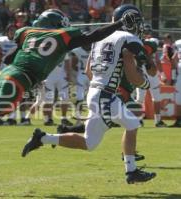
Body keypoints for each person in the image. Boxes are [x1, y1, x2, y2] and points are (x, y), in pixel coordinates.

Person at [0, 8, 140, 152]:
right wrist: (119, 24)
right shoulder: (62, 35)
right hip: (19, 79)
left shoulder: (28, 32)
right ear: (56, 25)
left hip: (8, 75)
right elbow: (94, 36)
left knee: (21, 100)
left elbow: (12, 57)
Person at [21, 5, 156, 184]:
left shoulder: (100, 39)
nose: (138, 26)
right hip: (105, 94)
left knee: (89, 143)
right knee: (132, 124)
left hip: (94, 91)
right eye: (137, 22)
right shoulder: (129, 39)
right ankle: (131, 171)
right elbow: (142, 74)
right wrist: (145, 82)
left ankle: (43, 138)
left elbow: (89, 70)